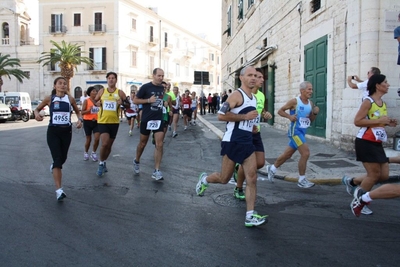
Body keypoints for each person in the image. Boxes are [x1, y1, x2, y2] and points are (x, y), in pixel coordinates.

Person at [195, 66, 267, 227]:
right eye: (250, 75)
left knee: (252, 178)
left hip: (247, 141)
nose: (253, 78)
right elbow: (221, 115)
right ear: (241, 78)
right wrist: (245, 117)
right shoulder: (236, 95)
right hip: (232, 141)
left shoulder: (254, 98)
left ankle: (250, 216)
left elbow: (247, 119)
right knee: (224, 178)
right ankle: (205, 179)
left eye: (255, 75)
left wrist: (251, 125)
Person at [342, 74, 397, 217]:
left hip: (377, 143)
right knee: (373, 175)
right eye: (385, 82)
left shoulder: (382, 103)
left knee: (383, 175)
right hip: (365, 142)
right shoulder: (368, 101)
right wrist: (380, 120)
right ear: (378, 85)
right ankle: (360, 201)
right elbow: (358, 121)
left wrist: (388, 122)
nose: (388, 84)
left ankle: (352, 181)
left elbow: (378, 122)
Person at [33, 77, 83, 201]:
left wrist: (80, 120)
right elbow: (37, 109)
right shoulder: (49, 99)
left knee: (63, 158)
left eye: (64, 83)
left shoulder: (70, 99)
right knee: (57, 160)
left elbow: (78, 112)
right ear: (55, 86)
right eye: (60, 83)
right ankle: (59, 190)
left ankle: (54, 165)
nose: (62, 85)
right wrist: (36, 114)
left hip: (67, 131)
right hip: (53, 132)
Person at [265, 81, 319, 188]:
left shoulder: (310, 103)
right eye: (309, 89)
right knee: (305, 153)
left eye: (311, 89)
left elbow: (310, 120)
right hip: (295, 133)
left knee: (287, 155)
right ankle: (302, 180)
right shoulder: (295, 101)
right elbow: (280, 111)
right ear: (302, 90)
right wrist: (289, 117)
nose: (311, 91)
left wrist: (315, 113)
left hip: (302, 133)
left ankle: (272, 168)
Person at [233, 68, 272, 200]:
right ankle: (238, 188)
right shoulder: (242, 94)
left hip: (256, 132)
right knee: (249, 166)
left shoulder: (260, 95)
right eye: (258, 77)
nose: (261, 80)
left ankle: (239, 166)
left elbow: (259, 111)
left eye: (261, 77)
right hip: (245, 133)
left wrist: (265, 114)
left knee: (260, 163)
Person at [133, 68, 167, 180]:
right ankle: (137, 160)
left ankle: (156, 170)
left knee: (159, 144)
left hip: (158, 119)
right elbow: (135, 100)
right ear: (153, 75)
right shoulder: (145, 87)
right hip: (147, 119)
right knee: (143, 143)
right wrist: (148, 101)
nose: (161, 78)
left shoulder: (162, 88)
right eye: (159, 75)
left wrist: (164, 103)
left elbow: (161, 100)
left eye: (162, 76)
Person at [94, 72, 128, 176]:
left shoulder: (120, 92)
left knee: (109, 146)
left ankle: (104, 161)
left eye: (113, 78)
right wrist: (97, 103)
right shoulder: (102, 91)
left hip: (114, 122)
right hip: (103, 121)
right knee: (104, 143)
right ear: (107, 80)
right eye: (109, 78)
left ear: (116, 80)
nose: (111, 80)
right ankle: (100, 163)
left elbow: (128, 104)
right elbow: (95, 102)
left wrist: (122, 103)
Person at [81, 86, 100, 161]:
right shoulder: (86, 101)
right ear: (90, 93)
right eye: (93, 91)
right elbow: (82, 112)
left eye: (96, 91)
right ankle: (86, 152)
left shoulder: (99, 101)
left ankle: (94, 153)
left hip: (97, 121)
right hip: (87, 121)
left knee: (97, 138)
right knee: (88, 139)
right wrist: (88, 110)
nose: (95, 92)